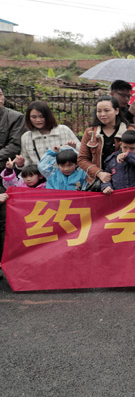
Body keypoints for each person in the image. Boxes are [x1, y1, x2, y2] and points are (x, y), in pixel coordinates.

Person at [78, 96, 135, 189]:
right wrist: (99, 173)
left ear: (116, 111)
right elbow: (82, 159)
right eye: (99, 111)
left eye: (106, 110)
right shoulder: (90, 133)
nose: (102, 114)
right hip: (97, 183)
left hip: (124, 183)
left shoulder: (128, 131)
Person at [0, 87, 24, 267]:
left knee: (4, 220)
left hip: (4, 173)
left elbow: (14, 145)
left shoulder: (15, 117)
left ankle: (4, 263)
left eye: (0, 94)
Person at [19, 101, 80, 166]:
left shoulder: (64, 130)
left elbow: (82, 152)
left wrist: (74, 147)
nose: (38, 120)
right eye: (34, 117)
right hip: (40, 172)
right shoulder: (26, 137)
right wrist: (20, 164)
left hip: (66, 171)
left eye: (42, 116)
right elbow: (26, 163)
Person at [101, 130, 135, 194]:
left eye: (132, 148)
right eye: (125, 147)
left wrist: (128, 155)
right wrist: (106, 186)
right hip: (118, 196)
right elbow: (106, 177)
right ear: (120, 145)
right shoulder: (112, 160)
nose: (127, 151)